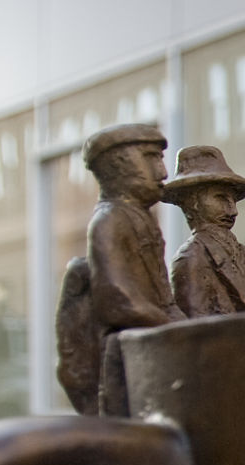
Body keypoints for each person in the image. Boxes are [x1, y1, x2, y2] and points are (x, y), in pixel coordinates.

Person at [56, 122, 183, 416]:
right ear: (118, 165)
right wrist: (173, 326)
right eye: (151, 158)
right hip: (124, 361)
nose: (163, 172)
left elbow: (163, 295)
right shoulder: (109, 221)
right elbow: (117, 300)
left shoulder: (140, 219)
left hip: (146, 352)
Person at [160, 145, 245, 318]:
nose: (233, 211)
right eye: (221, 198)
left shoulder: (243, 254)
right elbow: (197, 331)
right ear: (192, 203)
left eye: (233, 200)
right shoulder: (191, 258)